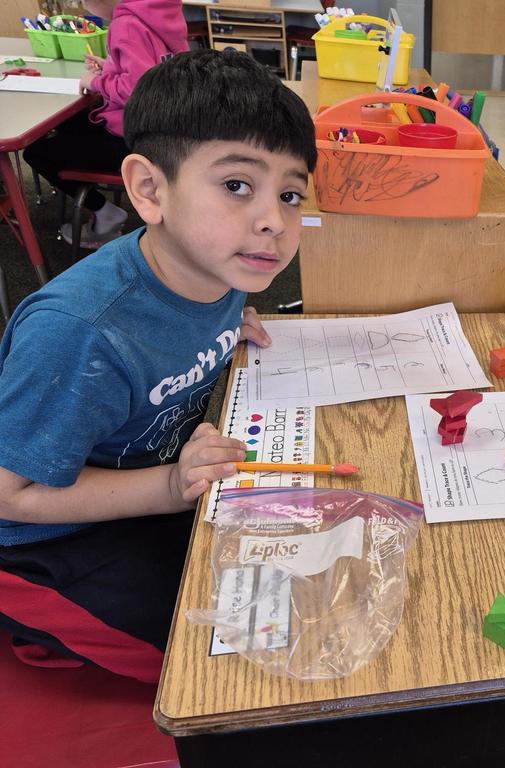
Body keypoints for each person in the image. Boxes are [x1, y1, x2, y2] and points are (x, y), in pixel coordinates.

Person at [0, 49, 317, 683]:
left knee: (296, 587)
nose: (272, 222)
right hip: (45, 547)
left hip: (147, 488)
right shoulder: (80, 334)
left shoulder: (220, 265)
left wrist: (229, 329)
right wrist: (170, 488)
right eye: (237, 185)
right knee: (217, 664)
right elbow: (12, 495)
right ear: (150, 189)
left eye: (289, 194)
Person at [23, 0, 188, 247]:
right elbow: (153, 70)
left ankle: (103, 212)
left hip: (132, 140)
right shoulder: (159, 16)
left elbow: (137, 88)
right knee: (70, 125)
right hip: (161, 132)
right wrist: (110, 68)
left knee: (36, 152)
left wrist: (96, 82)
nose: (84, 8)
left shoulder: (125, 24)